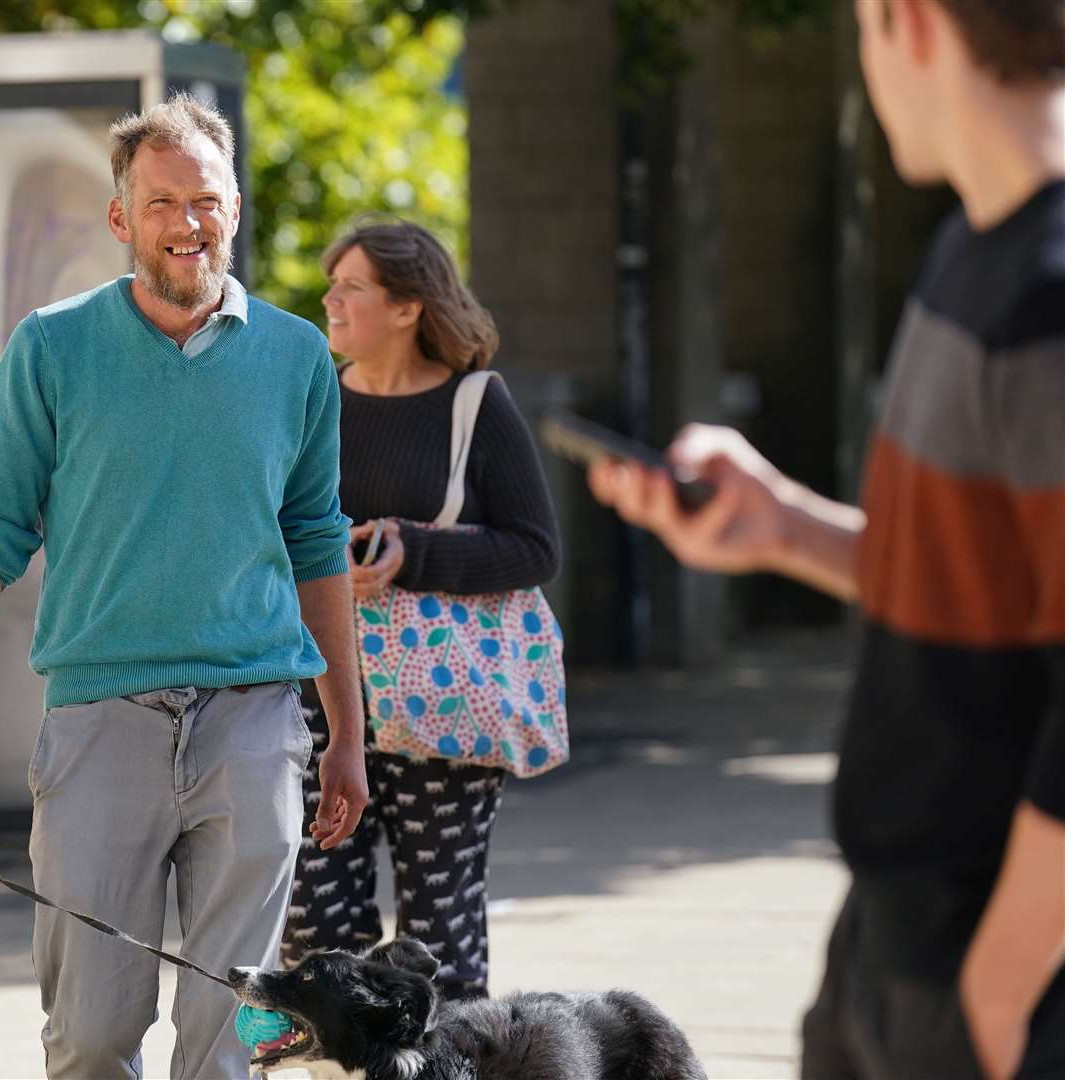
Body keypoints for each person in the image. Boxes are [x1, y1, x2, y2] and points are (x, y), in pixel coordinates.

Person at [586, 3, 1064, 1077]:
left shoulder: (1050, 295)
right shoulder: (973, 250)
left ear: (917, 22)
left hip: (992, 970)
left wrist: (997, 990)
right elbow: (986, 579)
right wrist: (787, 528)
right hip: (893, 937)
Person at [0, 93, 370, 1079]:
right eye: (164, 201)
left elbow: (317, 541)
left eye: (207, 200)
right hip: (100, 721)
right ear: (121, 217)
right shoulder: (52, 349)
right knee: (90, 1033)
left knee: (230, 1037)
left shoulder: (297, 356)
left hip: (254, 718)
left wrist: (347, 728)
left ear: (235, 209)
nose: (189, 222)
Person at [279, 221, 562, 999]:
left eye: (352, 288)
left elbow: (536, 549)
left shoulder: (478, 403)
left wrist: (415, 552)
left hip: (445, 705)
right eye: (332, 285)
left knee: (440, 934)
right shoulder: (313, 403)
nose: (331, 300)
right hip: (315, 701)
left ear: (407, 307)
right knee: (314, 926)